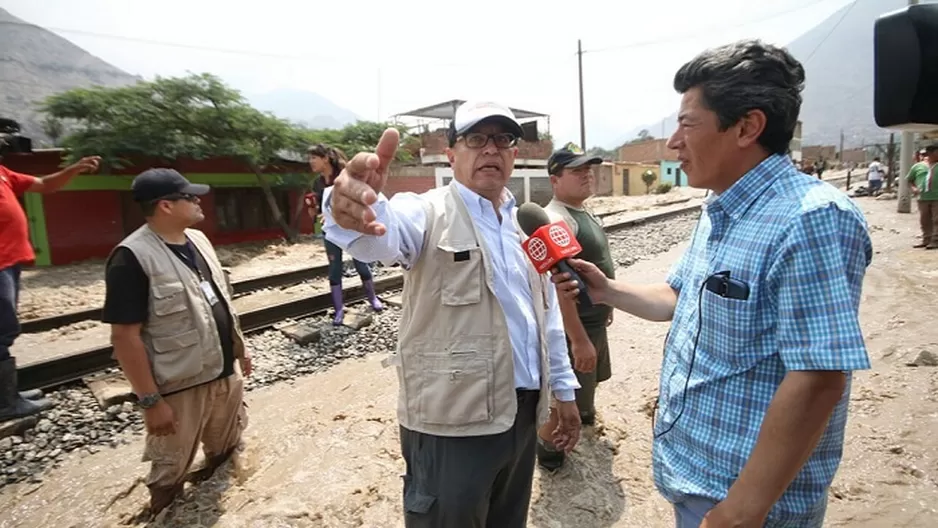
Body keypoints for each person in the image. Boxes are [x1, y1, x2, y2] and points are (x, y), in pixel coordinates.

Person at [554, 40, 872, 528]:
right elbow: (682, 297)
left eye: (687, 123)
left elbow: (818, 377)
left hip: (746, 505)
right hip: (699, 482)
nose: (673, 143)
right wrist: (608, 290)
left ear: (746, 127)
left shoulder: (810, 219)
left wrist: (740, 512)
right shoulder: (720, 208)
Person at [322, 100, 582, 527]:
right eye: (476, 139)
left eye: (502, 140)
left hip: (521, 415)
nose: (490, 150)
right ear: (452, 153)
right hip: (452, 426)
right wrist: (347, 207)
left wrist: (564, 392)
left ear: (515, 155)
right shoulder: (426, 211)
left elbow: (544, 315)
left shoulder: (520, 224)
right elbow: (381, 239)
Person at [102, 168, 252, 515]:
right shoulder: (131, 257)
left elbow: (218, 302)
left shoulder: (198, 240)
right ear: (165, 206)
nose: (199, 201)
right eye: (189, 197)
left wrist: (241, 349)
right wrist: (151, 401)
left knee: (227, 454)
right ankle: (165, 519)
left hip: (223, 374)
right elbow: (125, 337)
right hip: (179, 387)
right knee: (169, 474)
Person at [0, 146, 101, 421]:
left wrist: (73, 169)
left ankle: (9, 396)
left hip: (9, 262)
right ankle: (5, 404)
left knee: (5, 330)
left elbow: (44, 184)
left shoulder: (4, 174)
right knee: (1, 332)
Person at [535, 142, 612, 471]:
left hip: (592, 323)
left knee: (584, 396)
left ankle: (582, 431)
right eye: (577, 171)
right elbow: (558, 291)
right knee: (559, 402)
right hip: (572, 329)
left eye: (589, 169)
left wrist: (608, 305)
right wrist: (578, 339)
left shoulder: (583, 211)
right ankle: (549, 457)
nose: (587, 175)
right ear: (555, 180)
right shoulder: (556, 219)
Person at [307, 144, 383, 325]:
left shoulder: (344, 174)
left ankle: (373, 298)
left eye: (313, 158)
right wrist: (313, 210)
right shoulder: (317, 183)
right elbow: (318, 212)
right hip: (332, 231)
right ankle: (339, 309)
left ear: (325, 158)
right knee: (334, 268)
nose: (310, 162)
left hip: (351, 227)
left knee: (361, 262)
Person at [905, 143, 938, 249]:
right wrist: (913, 188)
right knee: (925, 219)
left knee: (937, 219)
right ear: (931, 153)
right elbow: (909, 180)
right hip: (922, 197)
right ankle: (926, 239)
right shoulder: (918, 166)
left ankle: (935, 240)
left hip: (937, 197)